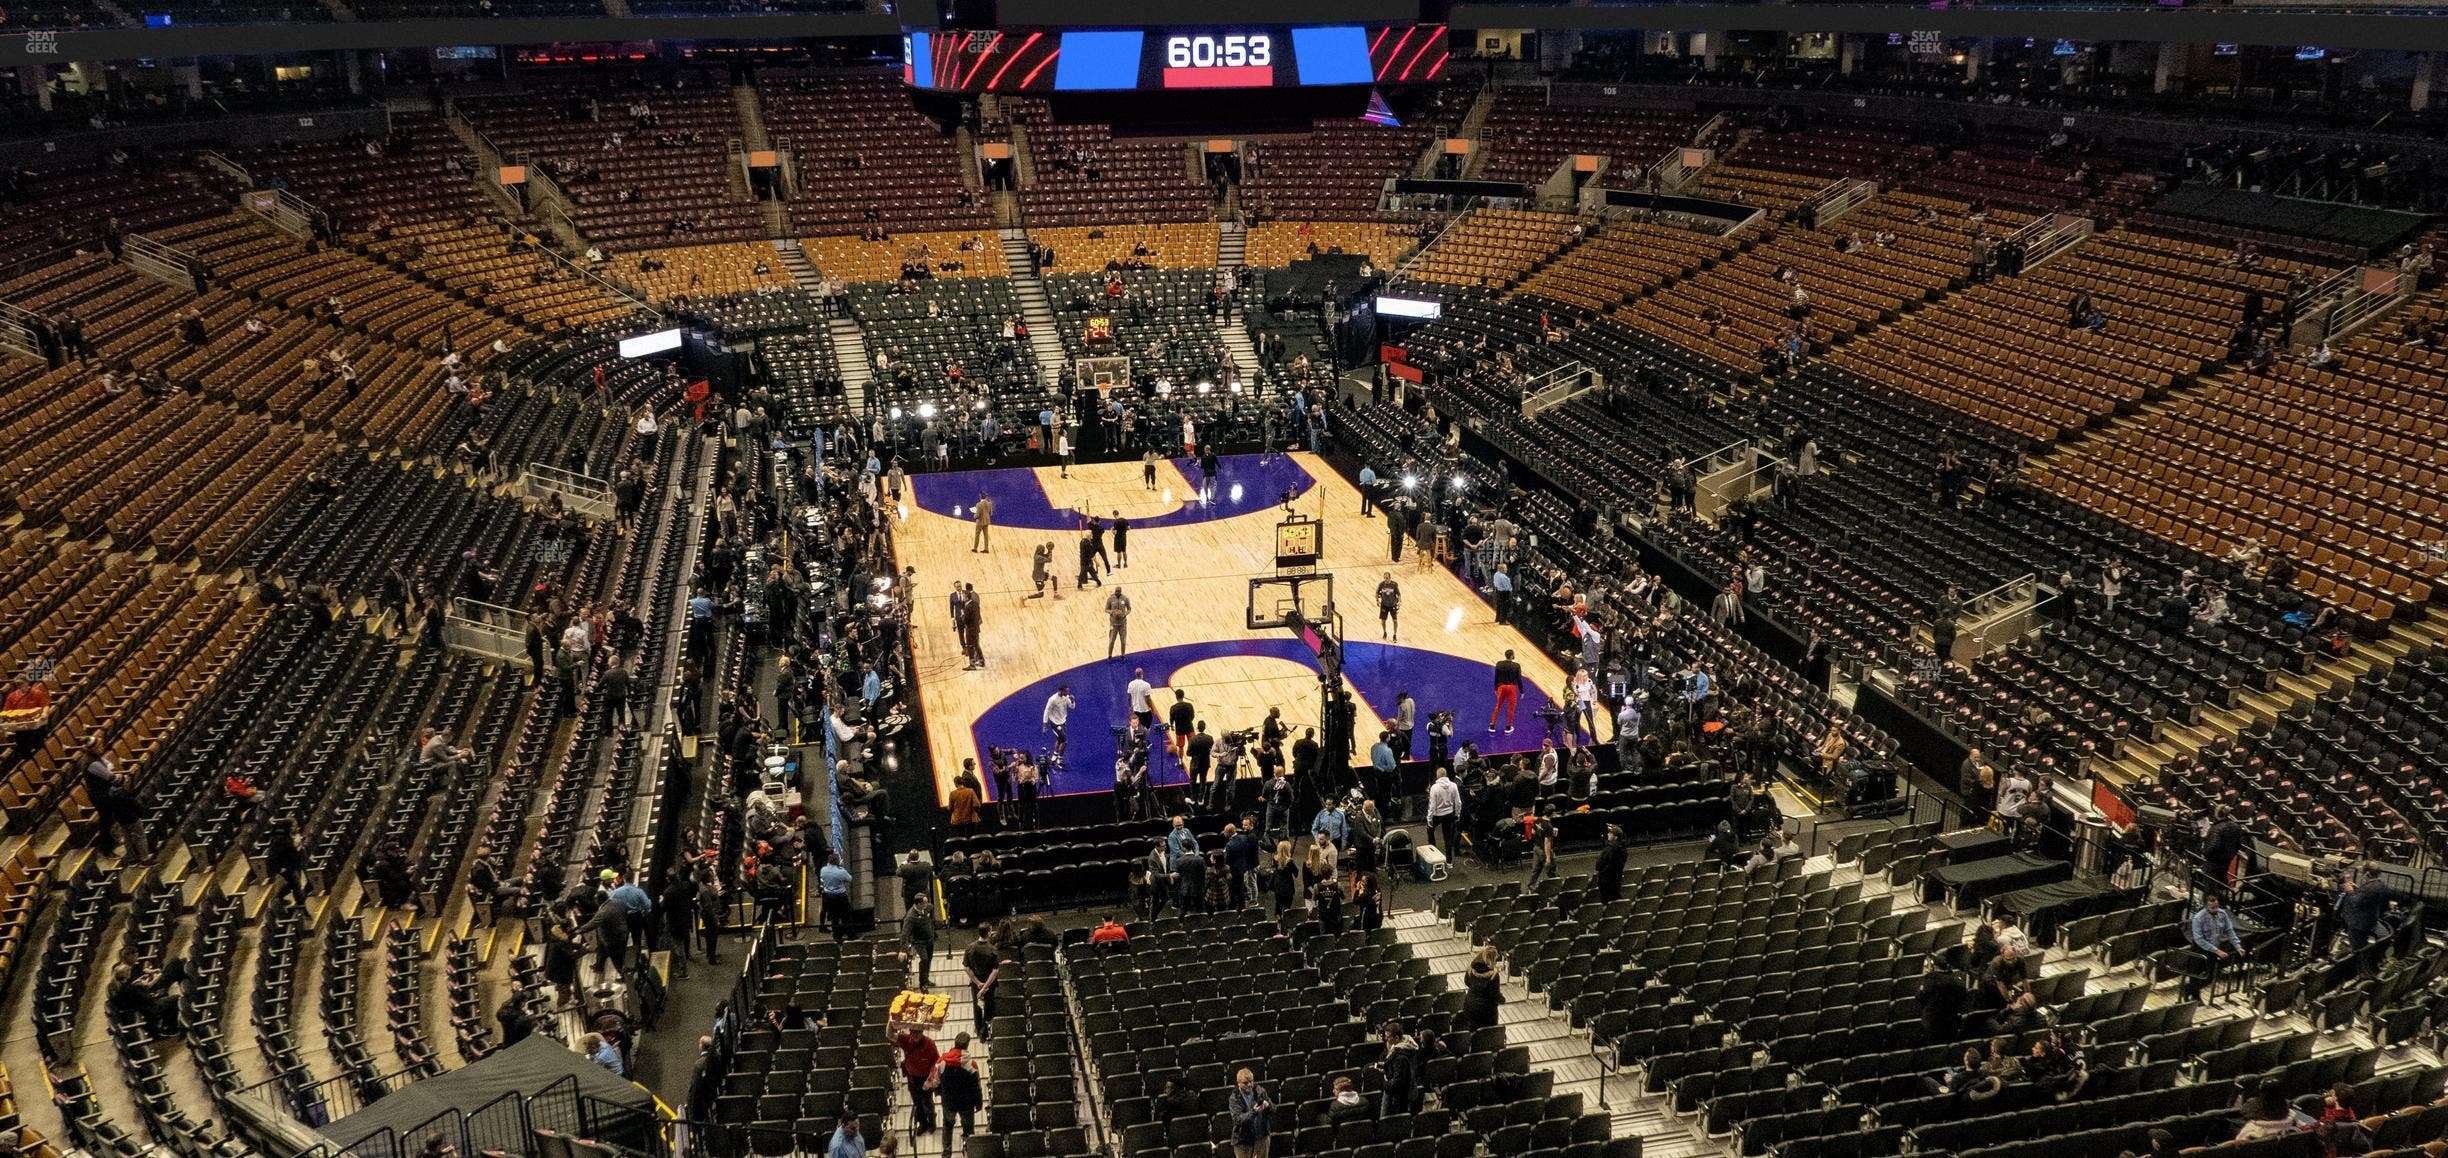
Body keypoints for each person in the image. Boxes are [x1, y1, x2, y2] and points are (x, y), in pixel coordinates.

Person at [2185, 894, 2245, 1001]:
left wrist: (2237, 946)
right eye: (2212, 908)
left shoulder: (2222, 914)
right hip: (2200, 948)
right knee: (2196, 974)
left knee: (2211, 976)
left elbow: (2229, 930)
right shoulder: (2198, 918)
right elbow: (2199, 939)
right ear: (2206, 906)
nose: (2215, 909)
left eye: (2217, 906)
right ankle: (2195, 996)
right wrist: (2217, 951)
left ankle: (2188, 989)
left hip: (2214, 947)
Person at [932, 1035, 982, 1155]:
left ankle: (946, 1153)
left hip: (949, 1102)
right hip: (966, 1104)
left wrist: (939, 1092)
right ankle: (969, 1150)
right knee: (968, 1127)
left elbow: (935, 1080)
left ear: (955, 1044)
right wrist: (978, 1103)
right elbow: (976, 1088)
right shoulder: (971, 1065)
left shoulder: (942, 1061)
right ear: (967, 1045)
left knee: (948, 1125)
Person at [894, 1024, 940, 1134]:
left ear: (922, 1032)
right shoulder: (906, 1039)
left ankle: (932, 1122)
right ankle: (922, 1123)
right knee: (917, 1103)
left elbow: (936, 1063)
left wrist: (930, 1080)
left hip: (925, 1078)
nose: (915, 1035)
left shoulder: (930, 1044)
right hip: (912, 1078)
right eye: (913, 1032)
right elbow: (889, 1035)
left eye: (918, 1032)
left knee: (927, 1103)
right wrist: (891, 1022)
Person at [1228, 1068, 1274, 1158]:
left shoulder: (1260, 1091)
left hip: (1262, 1136)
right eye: (1245, 1083)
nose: (1249, 1085)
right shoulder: (1234, 1098)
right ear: (1239, 1083)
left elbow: (1274, 1109)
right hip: (1243, 1140)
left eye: (1251, 1081)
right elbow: (1238, 1119)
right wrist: (1254, 1111)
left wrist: (1268, 1105)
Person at [1462, 948, 1504, 1030]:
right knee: (1488, 1032)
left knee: (1472, 1030)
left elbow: (1467, 982)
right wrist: (1502, 1000)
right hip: (1487, 1011)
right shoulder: (1493, 976)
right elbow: (1494, 995)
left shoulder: (1471, 968)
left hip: (1470, 1006)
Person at [1425, 769, 1462, 860]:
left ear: (1437, 776)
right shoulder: (1453, 785)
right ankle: (1449, 861)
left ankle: (1434, 856)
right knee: (1448, 837)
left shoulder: (1434, 788)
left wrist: (1429, 819)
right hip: (1449, 814)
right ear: (1445, 775)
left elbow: (1432, 806)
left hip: (1437, 815)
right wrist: (1457, 814)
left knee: (1430, 831)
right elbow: (1458, 802)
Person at [819, 853, 853, 942]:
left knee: (834, 918)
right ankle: (850, 935)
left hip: (828, 897)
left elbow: (822, 879)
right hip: (840, 897)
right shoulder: (841, 871)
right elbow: (850, 879)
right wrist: (840, 867)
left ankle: (837, 938)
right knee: (846, 916)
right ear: (837, 861)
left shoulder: (823, 870)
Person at [904, 897, 936, 986]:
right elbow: (905, 933)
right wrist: (903, 949)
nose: (927, 904)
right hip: (919, 941)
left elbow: (931, 908)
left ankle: (926, 979)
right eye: (925, 903)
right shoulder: (910, 917)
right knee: (924, 959)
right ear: (919, 904)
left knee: (929, 959)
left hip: (929, 939)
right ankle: (922, 984)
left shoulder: (928, 908)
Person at [1490, 650, 1522, 733]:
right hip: (1512, 688)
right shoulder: (1517, 666)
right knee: (1511, 708)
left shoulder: (1499, 664)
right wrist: (1522, 691)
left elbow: (1496, 677)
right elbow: (1519, 679)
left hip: (1501, 687)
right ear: (1511, 656)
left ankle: (1492, 725)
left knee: (1498, 706)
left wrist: (1496, 688)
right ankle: (1508, 727)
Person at [1593, 825, 1627, 902]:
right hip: (1617, 879)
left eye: (1611, 833)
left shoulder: (1609, 849)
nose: (1608, 834)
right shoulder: (1623, 848)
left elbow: (1599, 865)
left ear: (1616, 837)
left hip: (1606, 880)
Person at [1105, 588, 1133, 657]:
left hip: (1122, 624)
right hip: (1113, 624)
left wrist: (1125, 614)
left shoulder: (1125, 599)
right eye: (1116, 591)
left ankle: (1123, 654)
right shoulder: (1110, 599)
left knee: (1123, 641)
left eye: (1118, 591)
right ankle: (1109, 655)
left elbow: (1129, 609)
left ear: (1120, 592)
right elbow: (1106, 609)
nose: (1117, 592)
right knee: (1111, 640)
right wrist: (1112, 612)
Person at [1376, 573, 1401, 639]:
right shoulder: (1381, 584)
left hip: (1393, 604)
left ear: (1390, 577)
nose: (1385, 579)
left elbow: (1398, 594)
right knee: (1383, 620)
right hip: (1384, 605)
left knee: (1395, 620)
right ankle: (1384, 632)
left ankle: (1394, 635)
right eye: (1384, 578)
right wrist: (1377, 600)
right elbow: (1377, 593)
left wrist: (1399, 601)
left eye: (1387, 578)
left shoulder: (1394, 585)